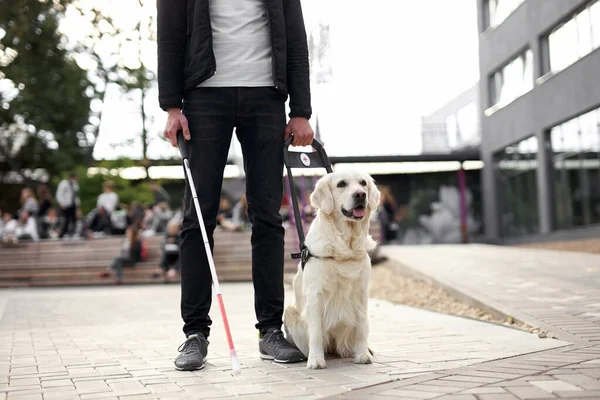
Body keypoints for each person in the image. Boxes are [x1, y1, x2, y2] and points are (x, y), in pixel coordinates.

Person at [157, 0, 314, 370]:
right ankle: (195, 334)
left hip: (267, 96)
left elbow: (296, 41)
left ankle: (270, 331)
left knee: (268, 218)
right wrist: (171, 106)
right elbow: (169, 37)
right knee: (198, 217)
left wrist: (301, 110)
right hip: (203, 95)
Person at [56, 172, 80, 238]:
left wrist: (78, 206)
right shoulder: (64, 183)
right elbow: (59, 194)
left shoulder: (75, 185)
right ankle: (63, 233)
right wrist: (62, 203)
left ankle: (72, 232)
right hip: (65, 204)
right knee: (65, 220)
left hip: (73, 204)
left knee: (73, 219)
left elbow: (76, 196)